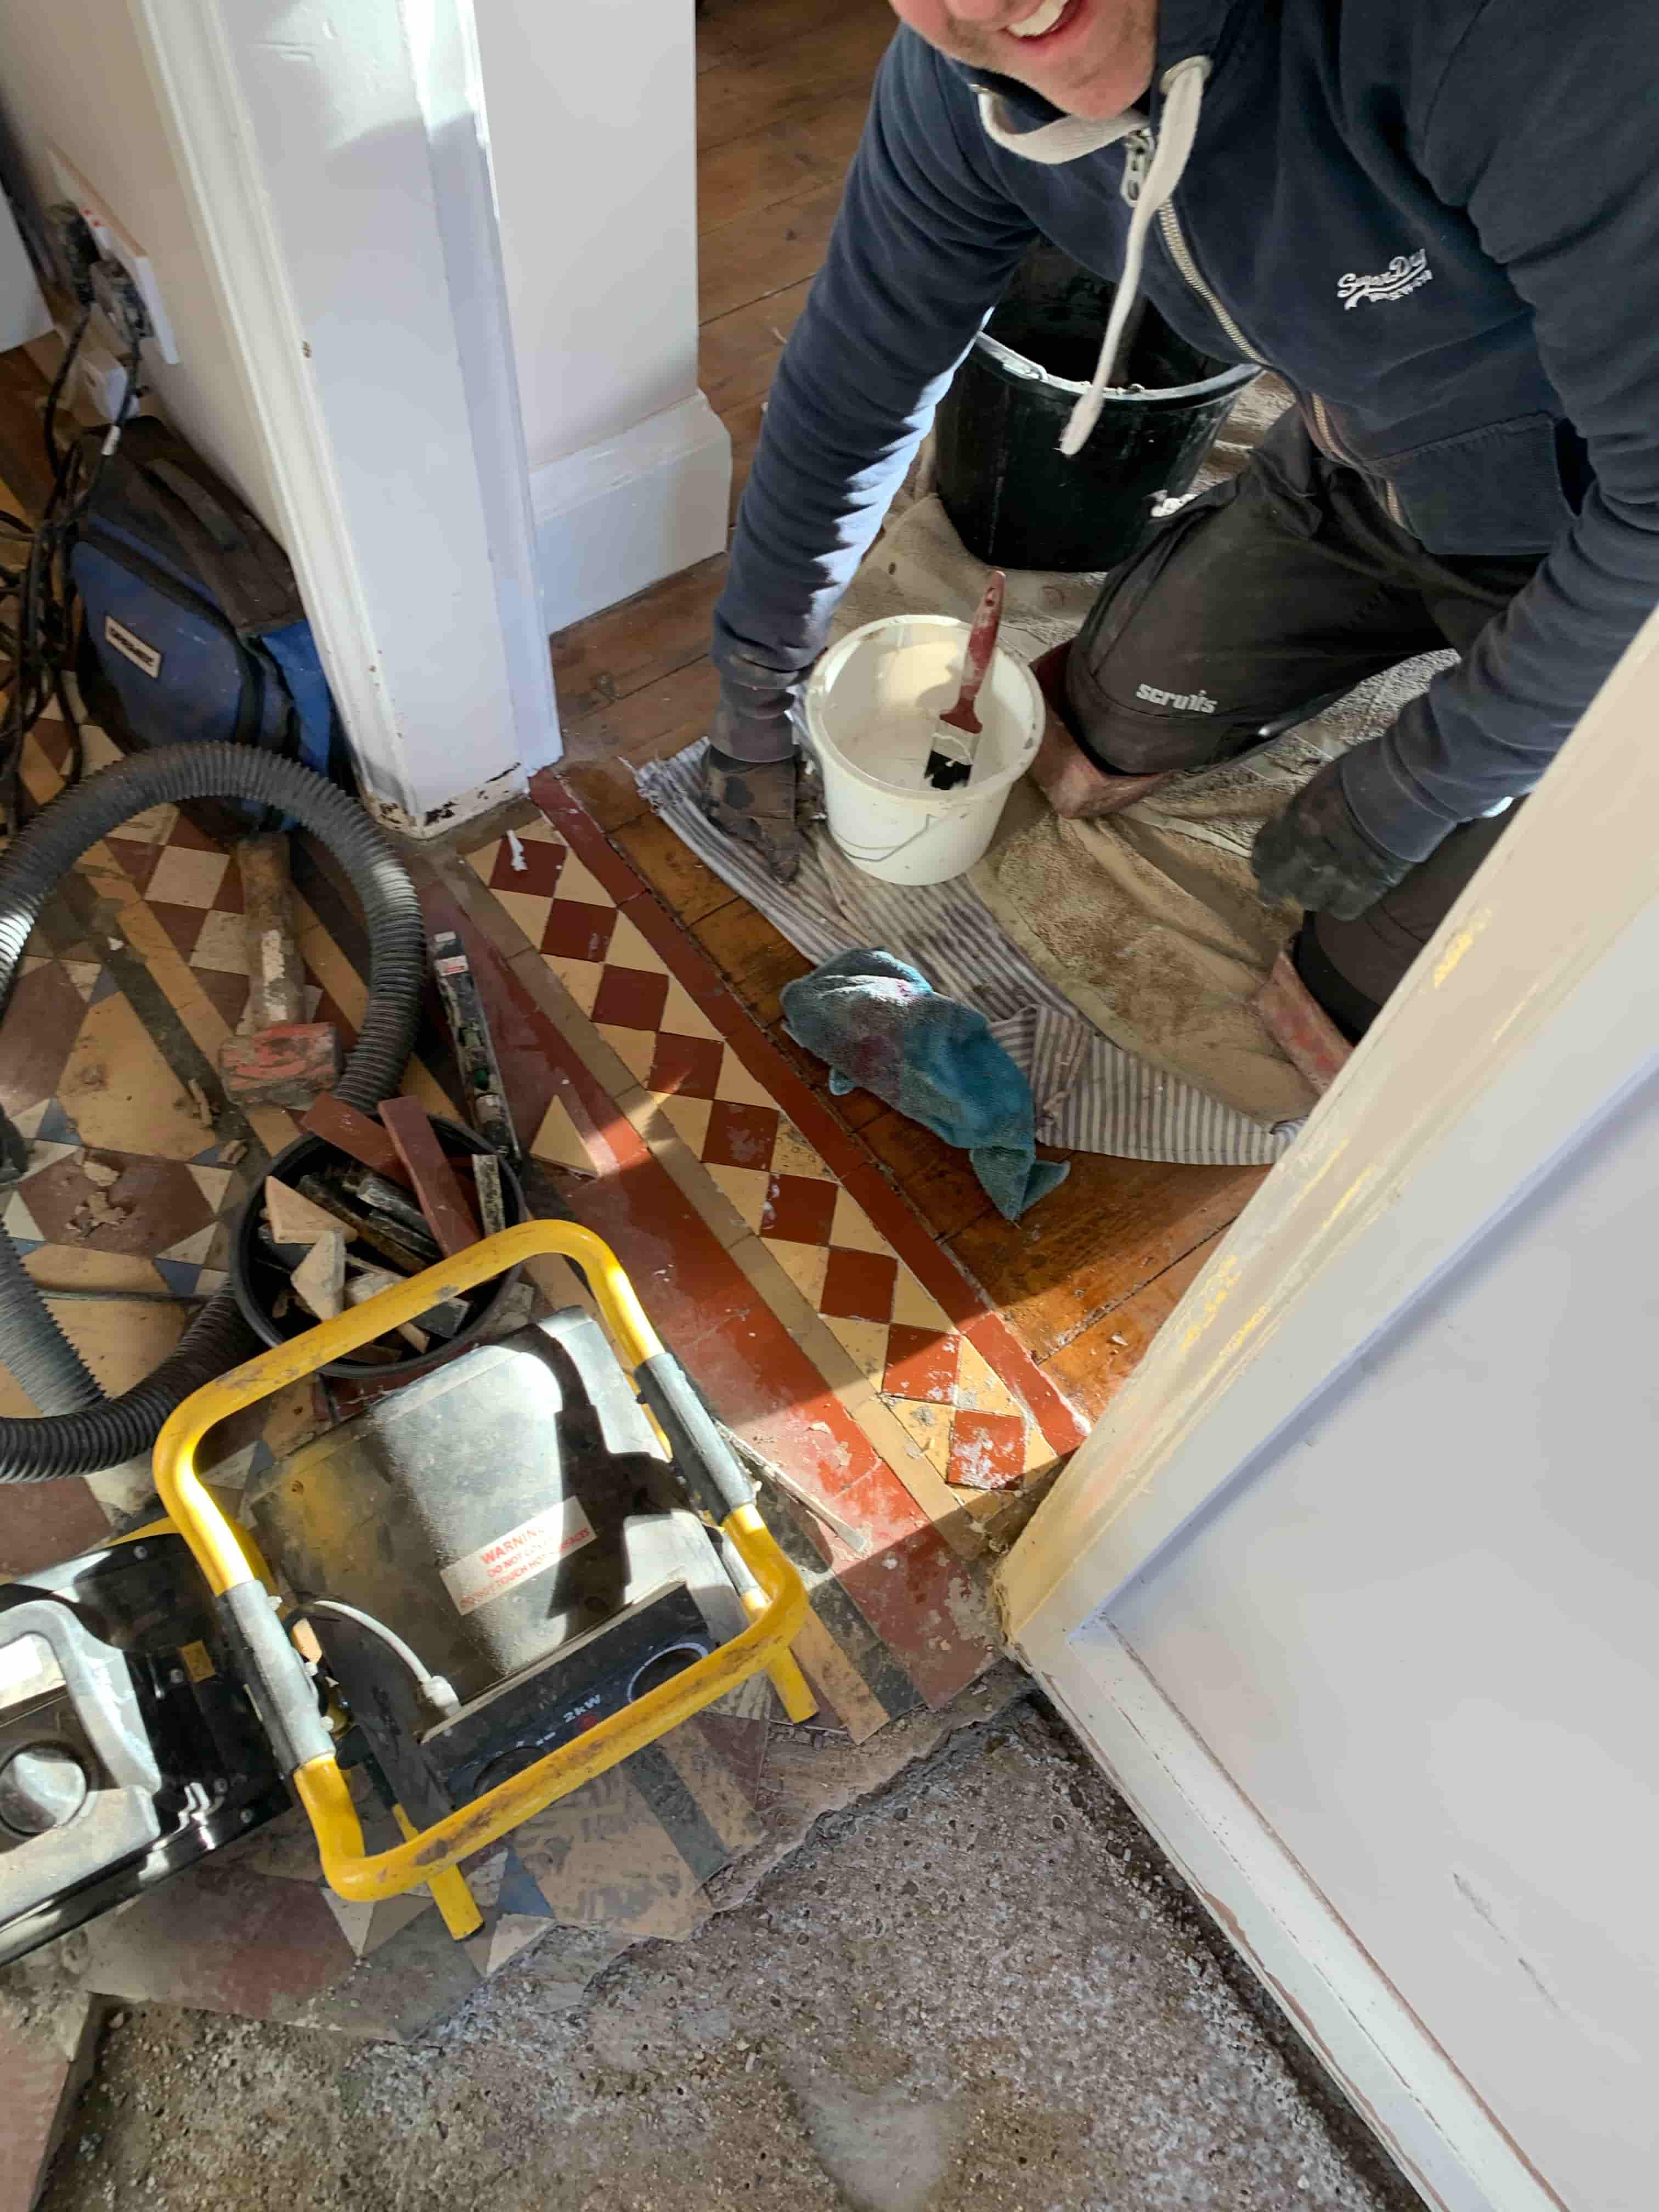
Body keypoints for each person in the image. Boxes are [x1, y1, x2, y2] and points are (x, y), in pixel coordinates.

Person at [699, 0, 1659, 1037]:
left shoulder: (1526, 37)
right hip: (1370, 472)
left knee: (1344, 1013)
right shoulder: (959, 86)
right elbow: (854, 385)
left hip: (1612, 554)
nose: (985, 3)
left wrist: (1421, 781)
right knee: (1098, 733)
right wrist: (757, 679)